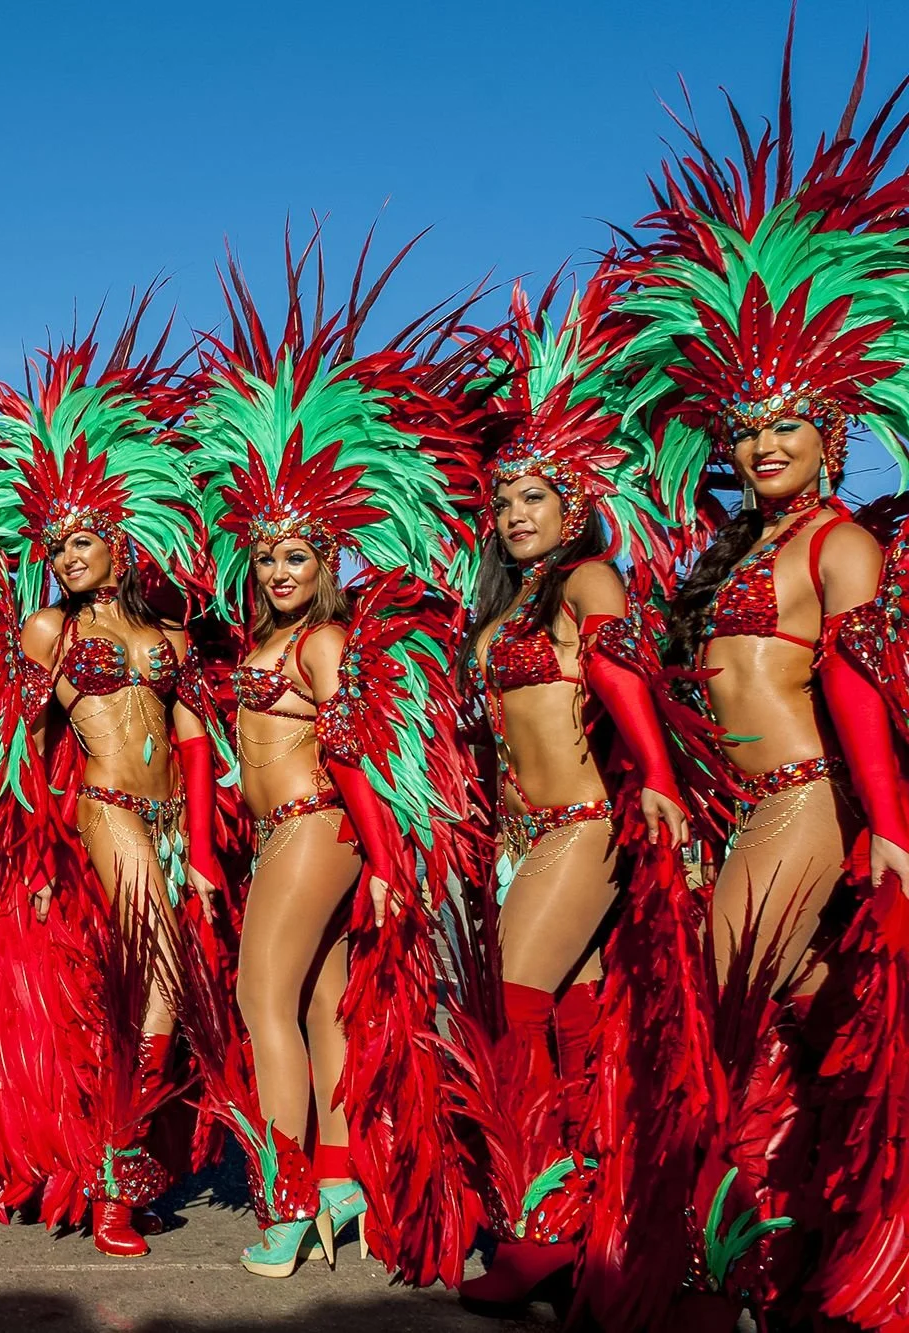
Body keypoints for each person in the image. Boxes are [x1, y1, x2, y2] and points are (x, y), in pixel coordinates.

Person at [614, 43, 909, 1329]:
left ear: (830, 430)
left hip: (803, 809)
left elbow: (853, 697)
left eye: (782, 421)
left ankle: (714, 1272)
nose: (757, 442)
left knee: (717, 1033)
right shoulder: (737, 546)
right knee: (797, 1041)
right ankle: (796, 1265)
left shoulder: (837, 541)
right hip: (750, 809)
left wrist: (889, 831)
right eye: (741, 426)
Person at [178, 241, 477, 1283]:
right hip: (287, 831)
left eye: (297, 554)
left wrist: (388, 861)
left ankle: (287, 1198)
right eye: (265, 554)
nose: (277, 568)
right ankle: (339, 1180)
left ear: (329, 561)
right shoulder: (265, 640)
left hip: (316, 826)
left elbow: (353, 756)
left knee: (260, 1001)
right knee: (314, 1003)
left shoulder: (322, 642)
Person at [450, 275, 698, 1315]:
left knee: (503, 1008)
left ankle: (539, 1230)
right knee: (573, 1023)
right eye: (502, 501)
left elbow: (622, 678)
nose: (512, 514)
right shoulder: (500, 609)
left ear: (576, 507)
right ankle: (597, 1211)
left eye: (532, 499)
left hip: (583, 825)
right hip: (517, 837)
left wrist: (656, 781)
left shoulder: (588, 580)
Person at [0, 319, 227, 1256]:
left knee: (168, 990)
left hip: (167, 818)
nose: (67, 558)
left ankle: (125, 1154)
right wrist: (29, 848)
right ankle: (114, 1177)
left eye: (81, 542)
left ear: (120, 538)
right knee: (156, 970)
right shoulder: (46, 634)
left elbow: (193, 742)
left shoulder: (174, 640)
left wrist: (200, 850)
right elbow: (16, 749)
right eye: (56, 546)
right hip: (104, 807)